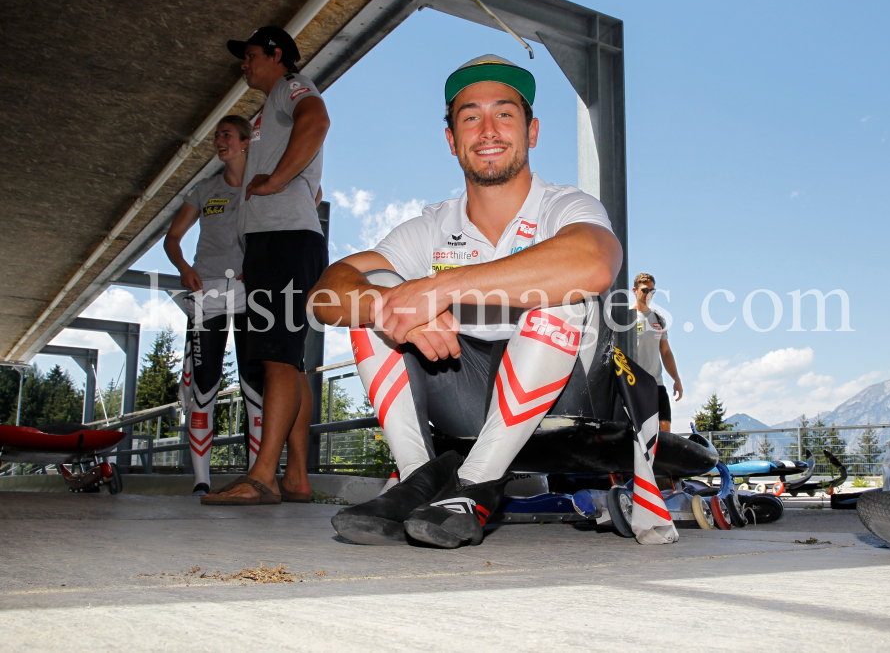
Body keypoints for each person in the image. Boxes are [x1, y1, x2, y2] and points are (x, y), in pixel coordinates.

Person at [310, 55, 676, 549]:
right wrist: (391, 304)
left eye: (504, 114)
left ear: (532, 130)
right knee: (374, 293)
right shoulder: (433, 224)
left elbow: (593, 262)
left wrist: (438, 289)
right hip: (465, 394)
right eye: (470, 117)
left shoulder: (565, 205)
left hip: (566, 397)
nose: (488, 129)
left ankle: (477, 483)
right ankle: (422, 479)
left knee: (559, 288)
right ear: (451, 139)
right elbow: (325, 294)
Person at [201, 27, 329, 505]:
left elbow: (317, 121)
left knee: (277, 358)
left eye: (251, 55)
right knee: (288, 362)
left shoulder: (290, 88)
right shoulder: (269, 108)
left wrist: (276, 180)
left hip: (285, 242)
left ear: (277, 55)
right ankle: (295, 477)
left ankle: (262, 477)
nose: (244, 64)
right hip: (281, 241)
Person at [164, 115, 265, 496]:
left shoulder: (262, 186)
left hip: (249, 297)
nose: (219, 140)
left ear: (245, 142)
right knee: (205, 387)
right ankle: (201, 482)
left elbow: (312, 193)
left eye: (226, 134)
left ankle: (256, 475)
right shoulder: (204, 189)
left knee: (253, 386)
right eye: (216, 135)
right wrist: (183, 267)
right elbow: (173, 238)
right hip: (205, 293)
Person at [631, 273, 682, 432]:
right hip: (634, 384)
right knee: (640, 431)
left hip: (656, 384)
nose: (648, 295)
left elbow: (665, 352)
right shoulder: (626, 318)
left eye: (652, 291)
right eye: (645, 290)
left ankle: (661, 457)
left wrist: (676, 378)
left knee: (665, 427)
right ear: (635, 290)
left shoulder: (658, 318)